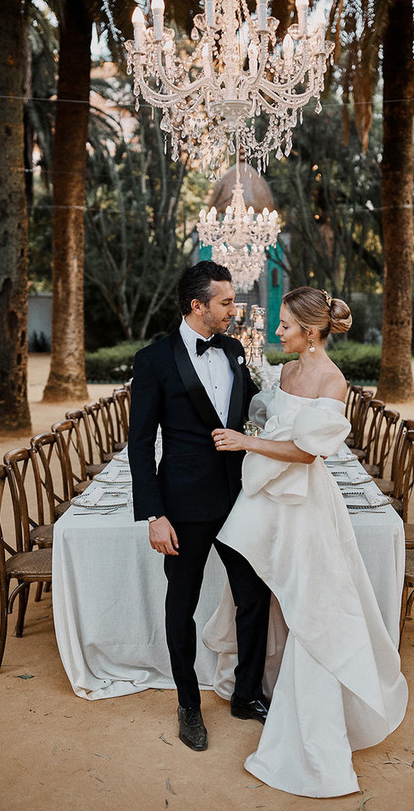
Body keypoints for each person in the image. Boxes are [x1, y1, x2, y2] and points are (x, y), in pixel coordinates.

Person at [205, 286, 408, 797]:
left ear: (312, 331)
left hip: (301, 503)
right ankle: (253, 682)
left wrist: (247, 441)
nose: (278, 332)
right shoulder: (289, 370)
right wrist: (253, 421)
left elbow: (307, 453)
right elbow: (276, 417)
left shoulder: (330, 379)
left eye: (286, 326)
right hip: (265, 496)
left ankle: (308, 714)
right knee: (247, 573)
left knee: (311, 601)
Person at [127, 261, 271, 752]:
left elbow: (255, 413)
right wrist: (154, 513)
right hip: (182, 505)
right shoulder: (153, 361)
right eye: (226, 302)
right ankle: (189, 705)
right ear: (197, 306)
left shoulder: (234, 350)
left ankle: (247, 694)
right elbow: (140, 443)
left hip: (239, 498)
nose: (235, 310)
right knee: (181, 604)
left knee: (253, 595)